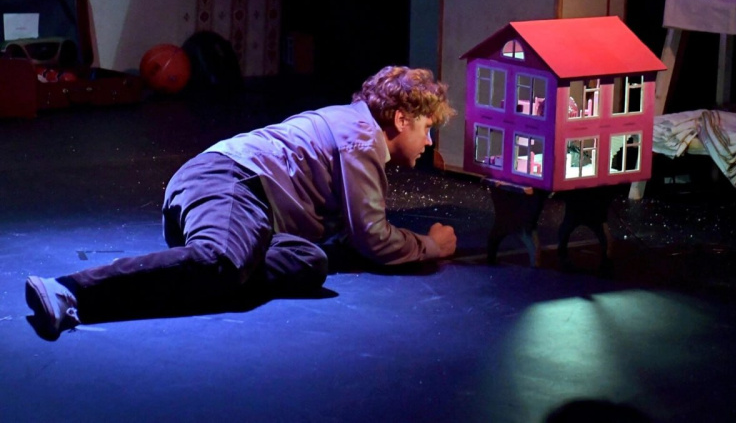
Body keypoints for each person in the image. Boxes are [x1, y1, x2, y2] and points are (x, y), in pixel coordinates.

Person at [24, 66, 458, 340]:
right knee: (224, 262)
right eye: (426, 127)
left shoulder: (354, 131)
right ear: (400, 118)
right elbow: (373, 237)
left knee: (309, 263)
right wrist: (430, 245)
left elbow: (356, 233)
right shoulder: (361, 138)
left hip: (246, 211)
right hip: (229, 184)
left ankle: (206, 269)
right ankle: (70, 289)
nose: (428, 140)